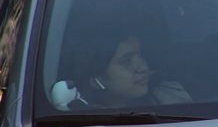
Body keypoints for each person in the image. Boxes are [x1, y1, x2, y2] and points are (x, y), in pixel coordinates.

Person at [53, 21, 190, 110]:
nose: (143, 68)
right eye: (126, 61)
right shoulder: (77, 119)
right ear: (97, 79)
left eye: (140, 55)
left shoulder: (171, 97)